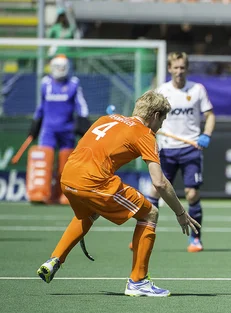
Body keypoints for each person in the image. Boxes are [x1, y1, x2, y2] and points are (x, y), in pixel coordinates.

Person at [36, 90, 200, 297]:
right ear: (156, 116)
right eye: (162, 119)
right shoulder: (145, 135)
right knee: (150, 214)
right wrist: (180, 213)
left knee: (87, 215)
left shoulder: (107, 119)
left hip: (67, 177)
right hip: (94, 181)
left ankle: (54, 260)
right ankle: (138, 282)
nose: (161, 126)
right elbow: (159, 182)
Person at [152, 52, 215, 252]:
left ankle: (196, 239)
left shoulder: (197, 90)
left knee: (192, 193)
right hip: (167, 149)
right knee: (155, 191)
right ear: (169, 68)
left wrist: (206, 134)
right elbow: (150, 115)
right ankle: (144, 234)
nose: (179, 71)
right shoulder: (162, 91)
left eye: (182, 68)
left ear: (186, 69)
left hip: (190, 149)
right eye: (175, 68)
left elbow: (210, 115)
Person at [26, 54, 90, 205]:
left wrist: (83, 122)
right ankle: (40, 192)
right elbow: (41, 106)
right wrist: (35, 124)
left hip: (67, 130)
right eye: (58, 67)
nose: (60, 70)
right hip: (48, 130)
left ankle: (63, 194)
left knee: (66, 164)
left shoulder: (74, 84)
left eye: (63, 67)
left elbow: (81, 105)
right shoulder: (46, 83)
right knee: (44, 161)